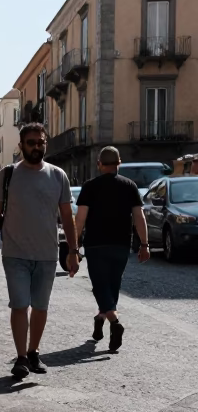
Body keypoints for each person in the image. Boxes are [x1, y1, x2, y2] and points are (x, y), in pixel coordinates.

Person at [0, 123, 78, 380]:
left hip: (47, 253)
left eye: (41, 142)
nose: (37, 147)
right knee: (19, 305)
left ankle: (34, 351)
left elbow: (67, 217)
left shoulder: (58, 176)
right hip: (15, 253)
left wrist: (73, 251)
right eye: (31, 142)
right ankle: (21, 357)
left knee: (40, 306)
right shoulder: (8, 174)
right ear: (21, 146)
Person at [75, 146, 150, 352]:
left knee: (100, 286)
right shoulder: (129, 185)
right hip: (121, 244)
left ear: (99, 164)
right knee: (112, 285)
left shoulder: (90, 186)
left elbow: (80, 219)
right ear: (119, 164)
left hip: (96, 244)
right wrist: (144, 244)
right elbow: (139, 217)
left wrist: (74, 245)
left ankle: (115, 323)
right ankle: (100, 318)